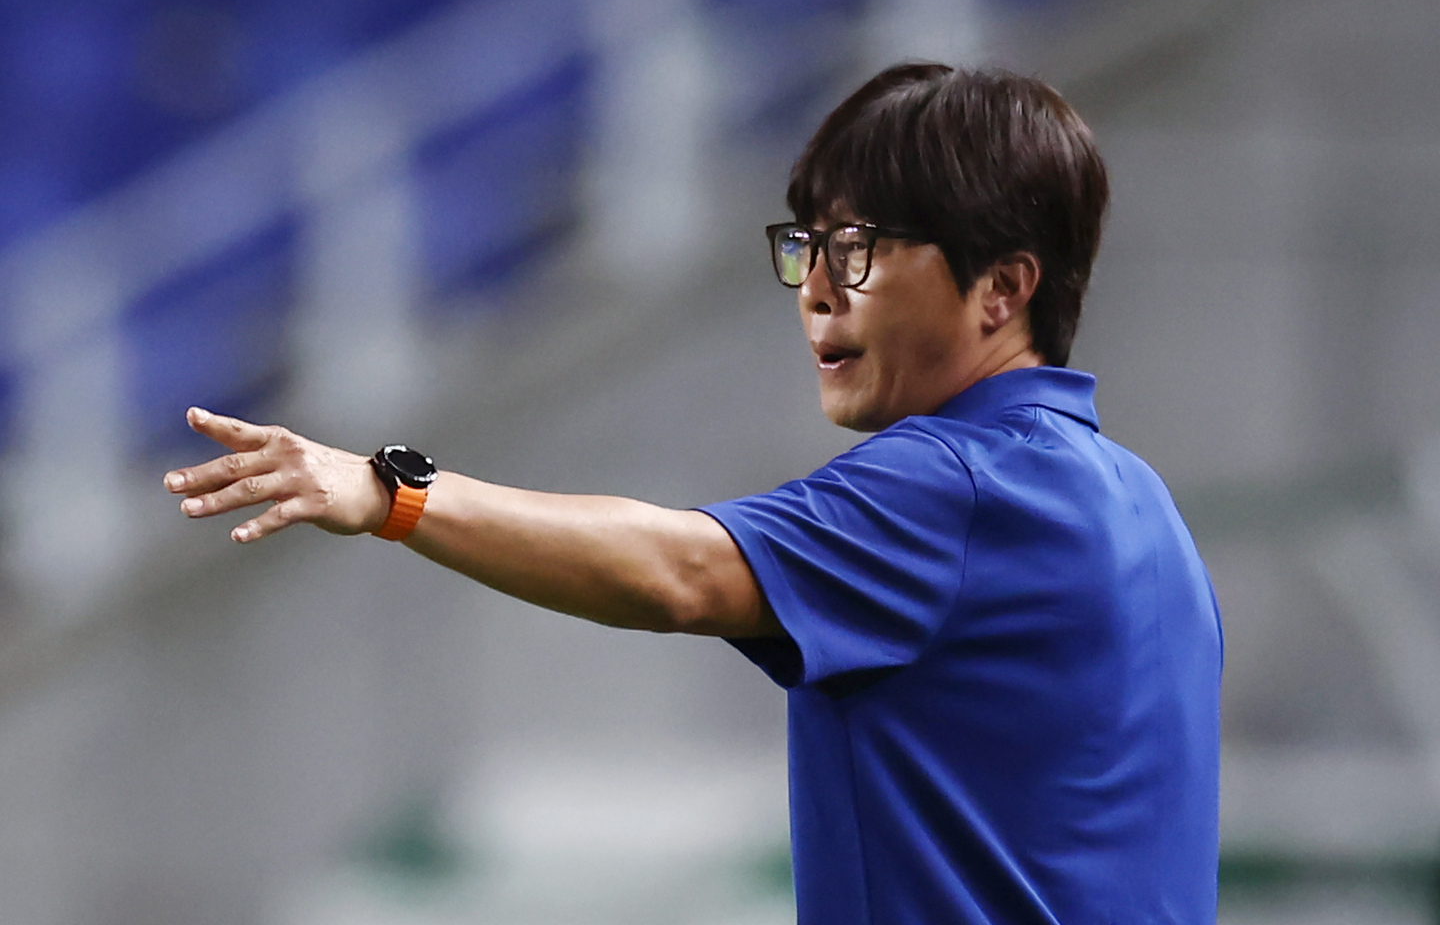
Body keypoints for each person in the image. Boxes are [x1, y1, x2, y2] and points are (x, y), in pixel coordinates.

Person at [165, 63, 1222, 924]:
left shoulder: (955, 484)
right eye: (808, 243)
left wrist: (391, 492)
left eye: (859, 249)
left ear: (1003, 288)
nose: (815, 284)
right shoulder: (1148, 511)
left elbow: (677, 570)